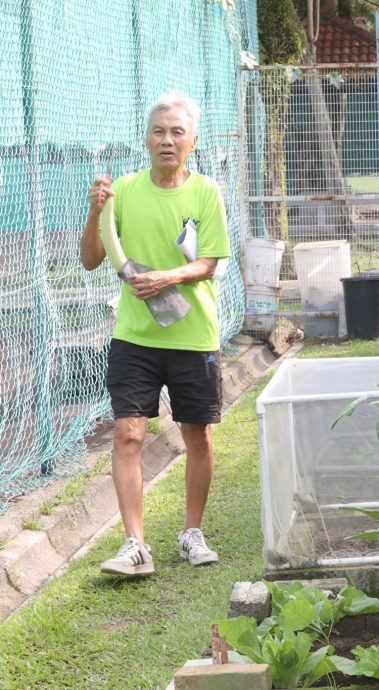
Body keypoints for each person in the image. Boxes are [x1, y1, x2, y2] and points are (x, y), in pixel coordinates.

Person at [80, 92, 231, 576]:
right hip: (135, 336)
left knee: (198, 436)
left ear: (193, 141)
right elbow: (89, 259)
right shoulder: (122, 190)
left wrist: (168, 277)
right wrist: (94, 212)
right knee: (128, 433)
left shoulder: (206, 192)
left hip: (192, 336)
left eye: (177, 132)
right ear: (146, 139)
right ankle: (134, 545)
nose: (167, 140)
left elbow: (211, 261)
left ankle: (191, 532)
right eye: (159, 131)